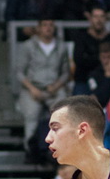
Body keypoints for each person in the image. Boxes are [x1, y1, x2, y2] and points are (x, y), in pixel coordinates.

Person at [15, 19, 70, 148]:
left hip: (54, 88)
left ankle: (60, 150)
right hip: (32, 88)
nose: (48, 28)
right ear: (38, 28)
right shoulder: (28, 46)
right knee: (31, 115)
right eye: (45, 25)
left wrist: (56, 86)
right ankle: (31, 150)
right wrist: (32, 89)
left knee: (63, 115)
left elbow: (66, 72)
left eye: (51, 25)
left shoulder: (61, 46)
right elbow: (19, 72)